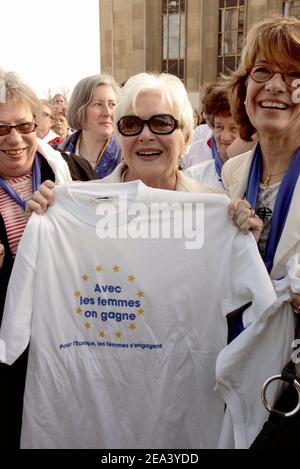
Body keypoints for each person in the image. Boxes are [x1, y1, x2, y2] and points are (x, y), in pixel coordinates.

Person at [1, 73, 276, 449]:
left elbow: (262, 319)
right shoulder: (72, 208)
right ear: (119, 136)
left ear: (184, 134)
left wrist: (242, 238)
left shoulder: (217, 213)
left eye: (161, 123)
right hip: (85, 420)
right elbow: (13, 336)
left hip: (178, 419)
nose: (146, 135)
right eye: (131, 124)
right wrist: (47, 218)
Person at [0, 70, 95, 448]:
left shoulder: (74, 170)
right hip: (9, 352)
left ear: (37, 125)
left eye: (24, 125)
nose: (14, 138)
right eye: (0, 128)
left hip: (69, 337)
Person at [220, 16, 300, 447]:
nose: (275, 86)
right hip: (238, 366)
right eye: (262, 71)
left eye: (294, 75)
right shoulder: (231, 173)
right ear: (244, 89)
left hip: (290, 384)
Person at [58, 74, 123, 179]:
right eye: (98, 104)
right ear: (80, 109)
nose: (107, 113)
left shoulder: (128, 155)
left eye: (112, 104)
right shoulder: (58, 157)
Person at [184, 83, 240, 189]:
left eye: (233, 128)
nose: (225, 137)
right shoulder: (193, 178)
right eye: (219, 127)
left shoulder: (262, 178)